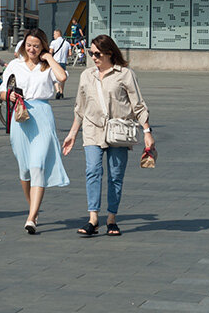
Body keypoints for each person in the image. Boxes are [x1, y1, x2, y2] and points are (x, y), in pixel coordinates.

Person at [61, 34, 155, 237]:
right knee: (93, 170)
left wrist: (147, 131)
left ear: (109, 53)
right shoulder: (87, 75)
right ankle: (93, 219)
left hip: (118, 131)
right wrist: (72, 134)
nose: (93, 57)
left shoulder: (125, 74)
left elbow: (138, 105)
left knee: (115, 175)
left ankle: (112, 218)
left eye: (97, 54)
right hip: (92, 129)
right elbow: (80, 107)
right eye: (90, 53)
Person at [1, 28, 69, 234]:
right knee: (25, 169)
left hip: (42, 116)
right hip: (20, 117)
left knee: (38, 165)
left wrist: (48, 57)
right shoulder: (15, 65)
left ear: (43, 47)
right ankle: (34, 208)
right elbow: (3, 92)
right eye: (29, 45)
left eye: (36, 46)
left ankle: (31, 217)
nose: (31, 49)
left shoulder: (47, 66)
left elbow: (62, 77)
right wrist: (9, 96)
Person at [49, 29, 70, 98]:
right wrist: (65, 56)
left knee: (54, 77)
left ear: (58, 34)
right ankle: (62, 92)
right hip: (63, 62)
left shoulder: (53, 42)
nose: (53, 35)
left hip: (55, 62)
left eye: (54, 34)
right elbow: (69, 53)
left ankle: (57, 90)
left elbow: (50, 52)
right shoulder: (67, 43)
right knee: (62, 77)